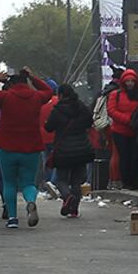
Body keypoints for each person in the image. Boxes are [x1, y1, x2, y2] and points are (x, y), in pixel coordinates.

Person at [0, 67, 54, 229]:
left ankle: (12, 218)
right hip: (31, 148)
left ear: (11, 84)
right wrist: (33, 77)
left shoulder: (5, 98)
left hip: (7, 147)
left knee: (9, 183)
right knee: (28, 182)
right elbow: (49, 90)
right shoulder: (36, 97)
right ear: (26, 83)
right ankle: (31, 201)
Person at [45, 84, 94, 217]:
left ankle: (67, 197)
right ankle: (74, 210)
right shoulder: (81, 107)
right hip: (81, 149)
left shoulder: (58, 110)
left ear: (60, 95)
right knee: (76, 181)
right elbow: (90, 121)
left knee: (60, 179)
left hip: (64, 150)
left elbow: (49, 127)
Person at [107, 68, 138, 190]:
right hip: (119, 131)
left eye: (132, 81)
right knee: (124, 156)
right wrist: (128, 120)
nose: (130, 84)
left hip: (135, 131)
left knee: (135, 157)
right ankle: (126, 181)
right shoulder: (115, 95)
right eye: (127, 81)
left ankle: (135, 182)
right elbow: (111, 110)